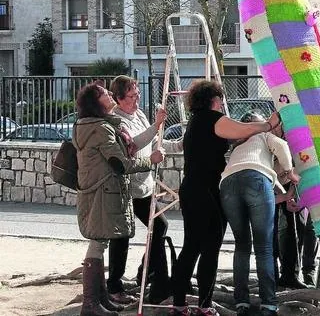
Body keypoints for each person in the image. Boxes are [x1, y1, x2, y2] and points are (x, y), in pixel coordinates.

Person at [170, 80, 282, 316]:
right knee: (209, 248)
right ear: (213, 100)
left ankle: (180, 303)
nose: (222, 103)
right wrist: (269, 124)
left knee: (192, 246)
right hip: (206, 192)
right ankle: (204, 305)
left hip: (192, 189)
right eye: (220, 99)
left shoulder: (196, 122)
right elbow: (243, 129)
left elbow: (231, 138)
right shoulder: (212, 119)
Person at [73, 82, 165, 316]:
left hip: (103, 191)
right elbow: (120, 163)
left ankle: (101, 298)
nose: (109, 95)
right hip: (103, 192)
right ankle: (92, 303)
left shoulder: (96, 125)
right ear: (97, 103)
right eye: (104, 94)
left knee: (101, 242)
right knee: (99, 243)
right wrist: (150, 161)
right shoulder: (101, 129)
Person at [107, 75, 183, 305]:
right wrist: (156, 124)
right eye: (131, 96)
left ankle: (146, 272)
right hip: (127, 187)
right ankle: (115, 285)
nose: (136, 99)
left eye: (137, 94)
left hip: (145, 185)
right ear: (119, 98)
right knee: (121, 236)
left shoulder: (138, 114)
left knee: (159, 226)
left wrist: (178, 144)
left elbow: (153, 141)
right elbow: (134, 145)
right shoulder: (115, 120)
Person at [219, 112, 299, 316]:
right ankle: (269, 304)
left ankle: (241, 302)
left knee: (241, 246)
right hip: (256, 178)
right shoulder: (263, 135)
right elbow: (281, 146)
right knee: (263, 248)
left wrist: (283, 194)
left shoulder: (238, 144)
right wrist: (290, 172)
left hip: (228, 185)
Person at [273, 165, 319, 289]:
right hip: (288, 178)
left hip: (311, 174)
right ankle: (289, 274)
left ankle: (309, 274)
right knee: (292, 228)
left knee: (311, 228)